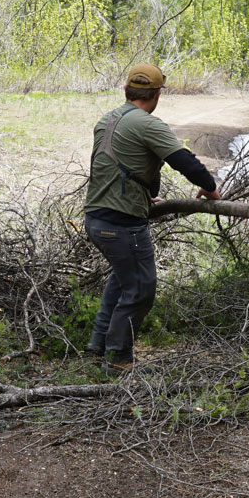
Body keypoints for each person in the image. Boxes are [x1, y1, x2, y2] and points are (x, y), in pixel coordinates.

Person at [81, 63, 221, 370]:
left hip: (96, 218)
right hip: (122, 224)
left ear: (126, 91)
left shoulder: (107, 120)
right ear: (157, 94)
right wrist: (210, 188)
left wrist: (144, 196)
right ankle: (118, 359)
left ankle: (98, 343)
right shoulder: (148, 124)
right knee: (141, 288)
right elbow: (184, 161)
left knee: (122, 278)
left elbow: (115, 167)